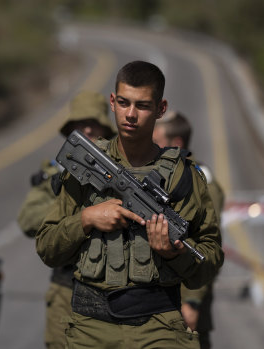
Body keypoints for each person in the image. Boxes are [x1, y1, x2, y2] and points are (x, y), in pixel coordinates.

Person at [36, 61, 223, 349]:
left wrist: (173, 254)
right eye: (124, 103)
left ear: (161, 109)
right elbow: (47, 247)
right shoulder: (86, 167)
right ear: (112, 102)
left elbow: (207, 264)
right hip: (90, 328)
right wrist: (86, 219)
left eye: (142, 105)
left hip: (158, 326)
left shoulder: (183, 176)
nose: (131, 115)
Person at [17, 90, 115, 349]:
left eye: (94, 126)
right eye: (80, 126)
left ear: (106, 130)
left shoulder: (123, 173)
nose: (88, 132)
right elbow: (28, 219)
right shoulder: (56, 175)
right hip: (67, 289)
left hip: (115, 294)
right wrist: (79, 212)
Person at [153, 111, 225, 349]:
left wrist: (192, 301)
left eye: (157, 139)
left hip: (186, 302)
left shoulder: (201, 182)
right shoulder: (160, 176)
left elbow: (206, 246)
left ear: (176, 144)